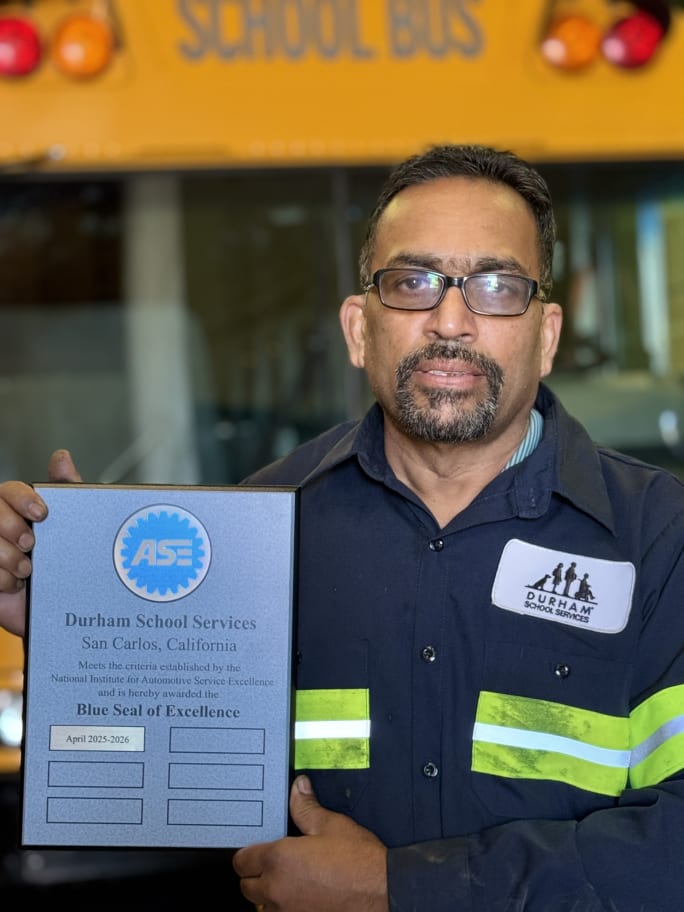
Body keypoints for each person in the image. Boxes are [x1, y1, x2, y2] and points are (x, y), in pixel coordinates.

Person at [0, 143, 683, 911]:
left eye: (495, 286)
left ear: (547, 333)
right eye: (412, 282)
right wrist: (80, 634)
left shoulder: (663, 539)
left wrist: (400, 889)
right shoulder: (252, 535)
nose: (450, 321)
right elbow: (159, 788)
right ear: (360, 329)